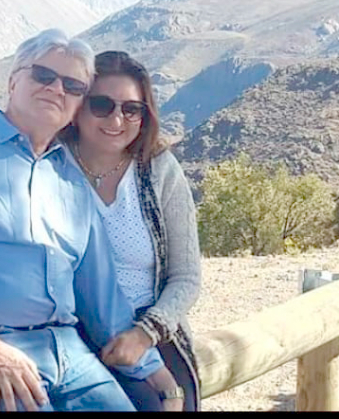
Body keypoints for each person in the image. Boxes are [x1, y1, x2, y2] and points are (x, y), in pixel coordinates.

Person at [0, 29, 178, 412]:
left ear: (77, 103)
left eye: (73, 85)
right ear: (14, 80)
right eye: (44, 75)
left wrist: (158, 375)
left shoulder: (72, 182)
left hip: (69, 354)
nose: (56, 89)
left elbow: (100, 295)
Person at [60, 50, 202, 412]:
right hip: (69, 331)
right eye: (102, 105)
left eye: (131, 109)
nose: (117, 119)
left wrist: (146, 334)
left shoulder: (159, 170)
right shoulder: (51, 165)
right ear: (78, 107)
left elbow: (186, 277)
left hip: (149, 327)